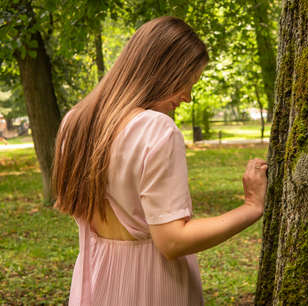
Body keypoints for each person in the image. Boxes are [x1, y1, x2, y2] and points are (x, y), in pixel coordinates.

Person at [51, 16, 268, 306]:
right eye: (186, 83)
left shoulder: (75, 123)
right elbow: (173, 241)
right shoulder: (155, 128)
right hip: (151, 287)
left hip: (95, 283)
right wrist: (252, 206)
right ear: (162, 72)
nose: (188, 97)